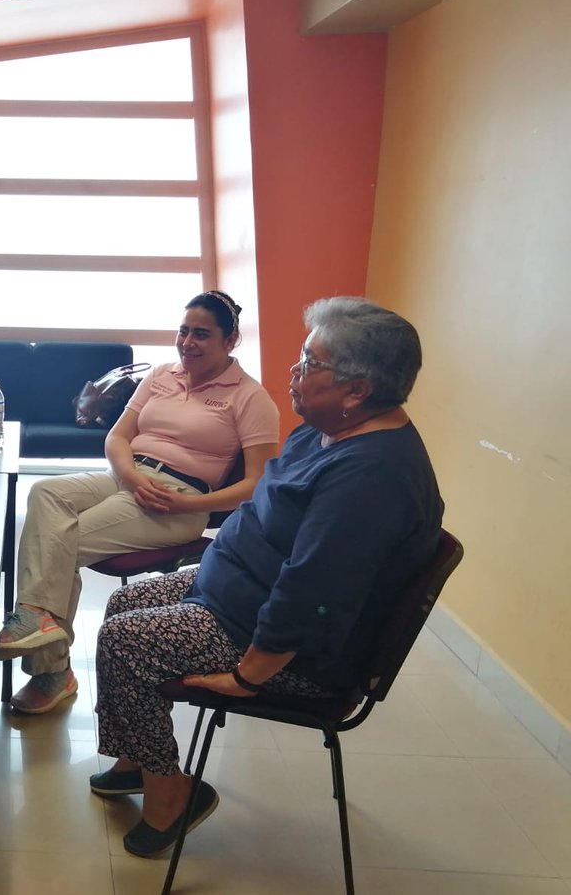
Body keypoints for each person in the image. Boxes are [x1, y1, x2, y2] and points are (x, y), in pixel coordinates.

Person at [90, 296, 444, 858]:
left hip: (286, 651)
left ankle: (171, 797)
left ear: (356, 391)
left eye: (310, 363)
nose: (294, 371)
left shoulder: (371, 478)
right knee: (122, 606)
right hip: (236, 595)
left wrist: (247, 675)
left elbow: (312, 593)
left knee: (124, 641)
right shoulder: (325, 429)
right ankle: (138, 756)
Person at [0, 291, 281, 714]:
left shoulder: (250, 397)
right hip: (127, 475)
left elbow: (258, 483)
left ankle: (51, 671)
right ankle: (38, 620)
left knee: (59, 543)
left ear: (231, 340)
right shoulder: (163, 374)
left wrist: (188, 506)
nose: (187, 342)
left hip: (178, 498)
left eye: (201, 334)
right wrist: (131, 477)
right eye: (183, 331)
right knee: (46, 493)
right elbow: (117, 437)